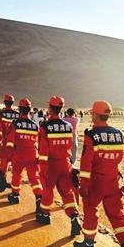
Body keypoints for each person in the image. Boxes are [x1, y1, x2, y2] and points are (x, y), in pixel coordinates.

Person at [75, 100, 124, 247]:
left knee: (90, 210)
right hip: (112, 181)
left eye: (92, 113)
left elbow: (86, 162)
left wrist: (84, 184)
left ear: (95, 115)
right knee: (117, 217)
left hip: (96, 180)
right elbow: (119, 157)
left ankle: (88, 244)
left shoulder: (91, 135)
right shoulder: (118, 134)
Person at [37, 96, 80, 231]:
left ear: (50, 109)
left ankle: (45, 214)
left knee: (48, 189)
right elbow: (70, 145)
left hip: (51, 164)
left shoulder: (45, 126)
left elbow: (43, 150)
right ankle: (74, 217)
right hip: (65, 164)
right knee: (67, 192)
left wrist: (42, 168)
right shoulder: (68, 126)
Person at [5, 98, 43, 212]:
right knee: (34, 178)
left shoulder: (15, 123)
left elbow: (10, 142)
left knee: (16, 175)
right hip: (33, 155)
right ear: (29, 110)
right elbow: (38, 142)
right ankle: (39, 198)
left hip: (19, 155)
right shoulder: (35, 125)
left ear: (20, 110)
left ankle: (15, 195)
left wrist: (9, 156)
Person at [0, 94, 20, 176]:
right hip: (15, 141)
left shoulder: (1, 114)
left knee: (4, 161)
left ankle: (2, 178)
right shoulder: (18, 114)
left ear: (4, 102)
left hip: (5, 141)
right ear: (12, 103)